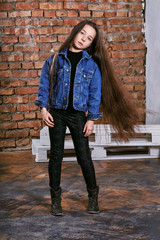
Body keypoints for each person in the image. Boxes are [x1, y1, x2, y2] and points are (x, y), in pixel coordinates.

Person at [35, 20, 139, 216]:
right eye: (82, 33)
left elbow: (95, 93)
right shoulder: (54, 59)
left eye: (89, 38)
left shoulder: (92, 66)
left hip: (78, 116)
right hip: (56, 113)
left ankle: (93, 196)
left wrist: (91, 119)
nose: (84, 39)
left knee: (84, 157)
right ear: (75, 32)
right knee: (56, 157)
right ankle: (55, 200)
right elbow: (44, 85)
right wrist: (43, 109)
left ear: (92, 43)